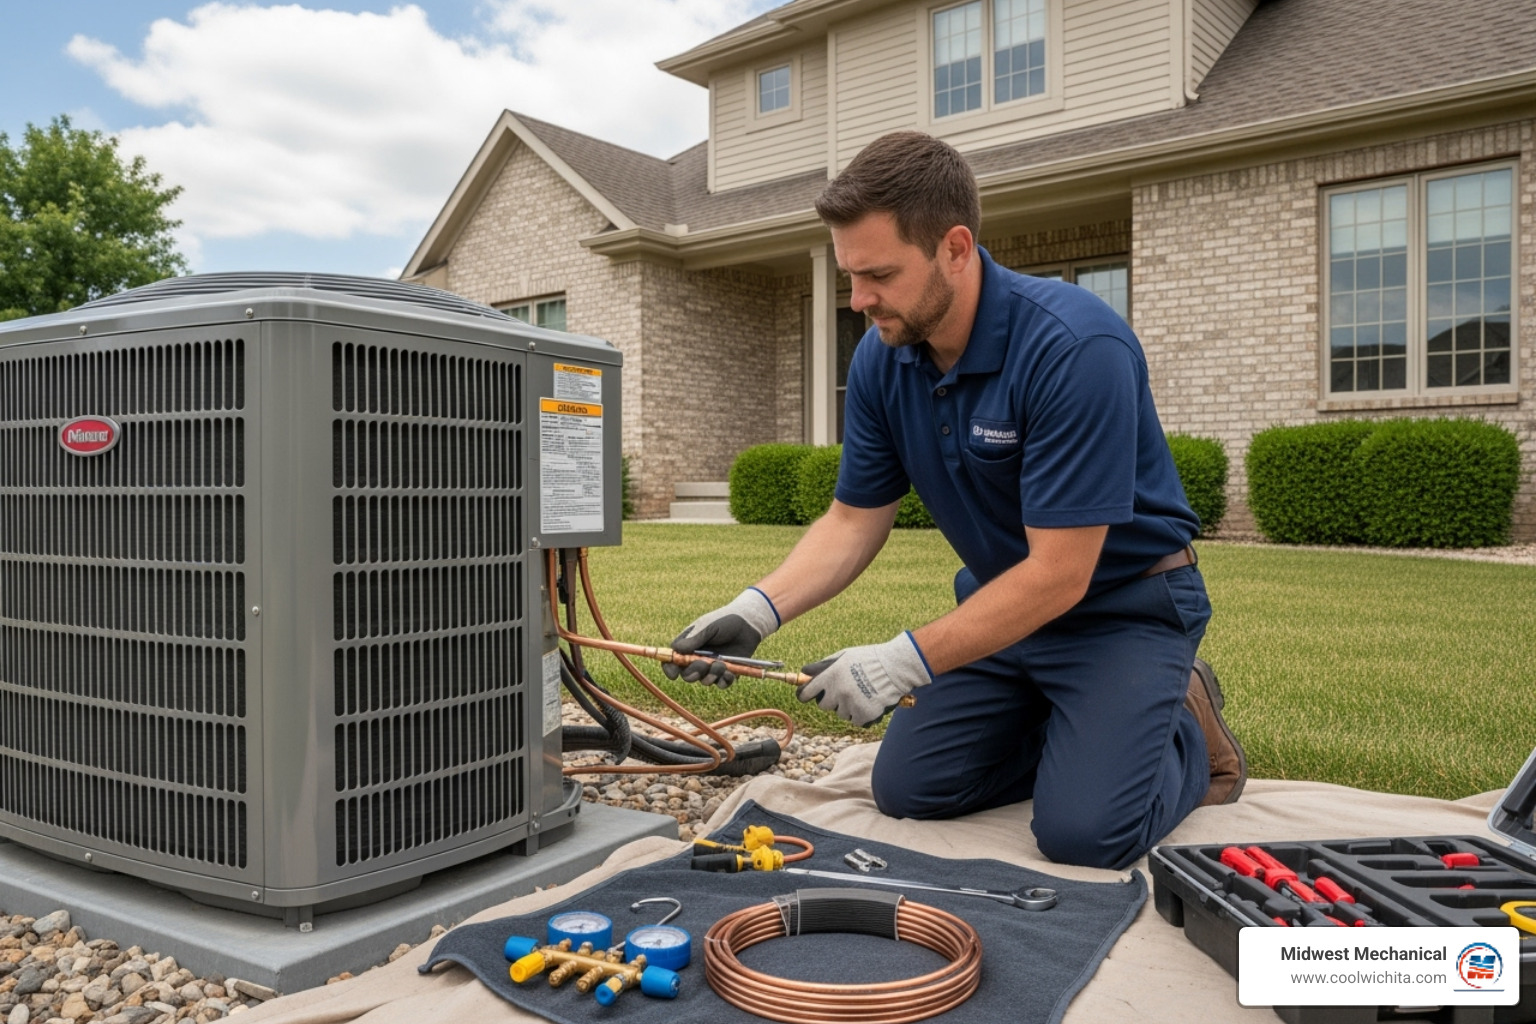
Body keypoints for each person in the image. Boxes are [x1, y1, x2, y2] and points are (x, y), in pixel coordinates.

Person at [664, 130, 1244, 871]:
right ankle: (1081, 734)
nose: (858, 300)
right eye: (850, 275)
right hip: (1004, 610)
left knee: (1086, 834)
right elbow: (853, 520)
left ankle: (1187, 725)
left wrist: (900, 662)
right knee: (911, 789)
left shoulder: (1075, 347)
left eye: (879, 274)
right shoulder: (882, 358)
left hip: (1124, 611)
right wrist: (755, 610)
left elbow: (1061, 574)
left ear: (957, 249)